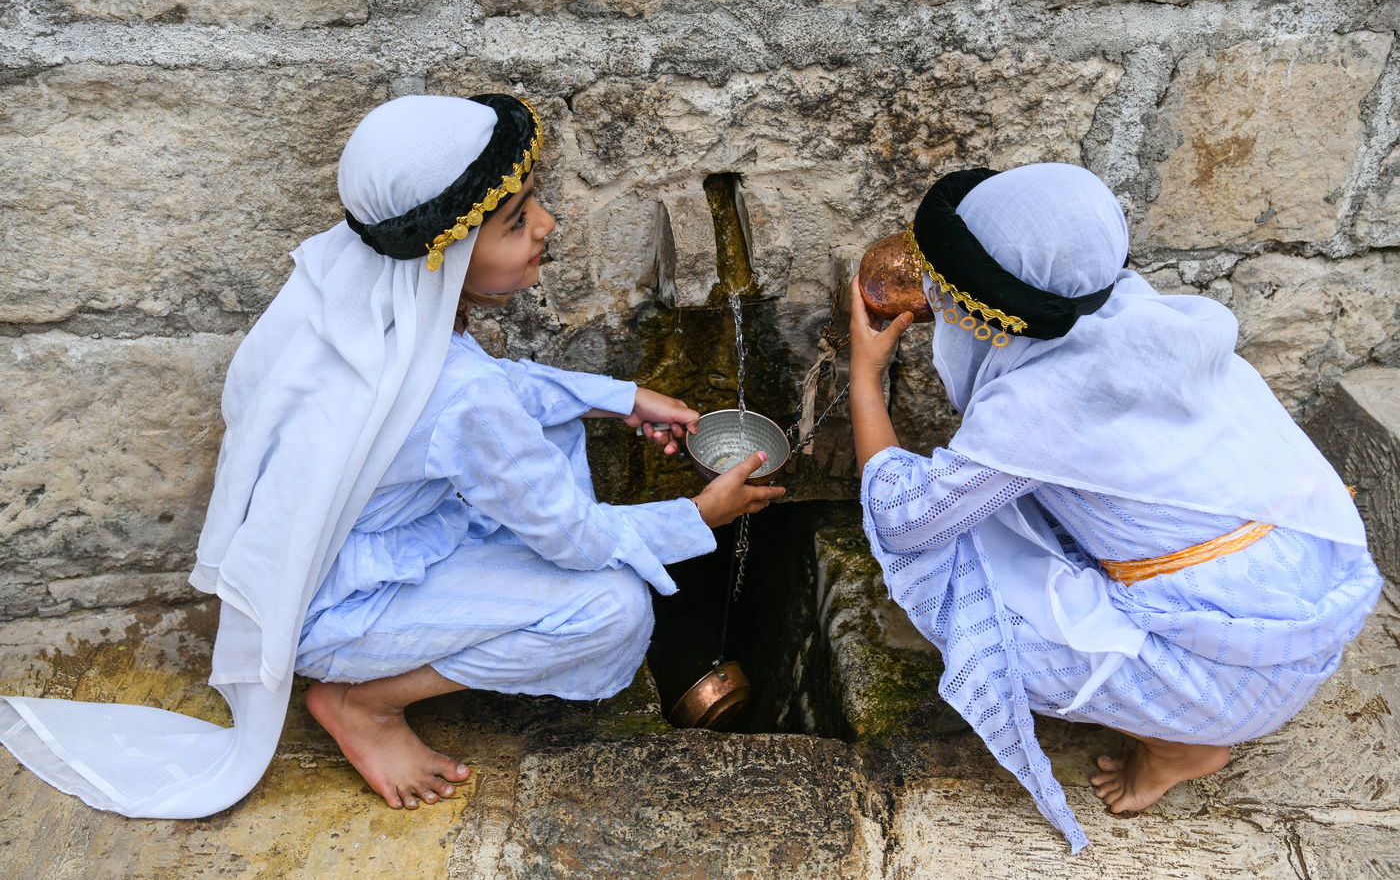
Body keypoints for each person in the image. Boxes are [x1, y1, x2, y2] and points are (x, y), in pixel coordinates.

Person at [0, 93, 783, 818]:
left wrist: (617, 395)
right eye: (515, 220)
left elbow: (484, 394)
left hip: (302, 567)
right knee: (614, 609)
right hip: (336, 607)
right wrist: (697, 516)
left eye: (531, 201)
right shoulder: (462, 394)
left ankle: (370, 678)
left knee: (548, 429)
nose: (544, 224)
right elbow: (567, 528)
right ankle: (364, 703)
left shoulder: (352, 285)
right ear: (444, 252)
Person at [848, 163, 1381, 853]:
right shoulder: (1135, 306)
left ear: (985, 310)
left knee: (969, 610)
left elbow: (905, 521)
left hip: (1243, 669)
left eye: (944, 289)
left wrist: (866, 374)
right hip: (1303, 576)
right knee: (1012, 516)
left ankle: (1179, 743)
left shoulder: (1032, 406)